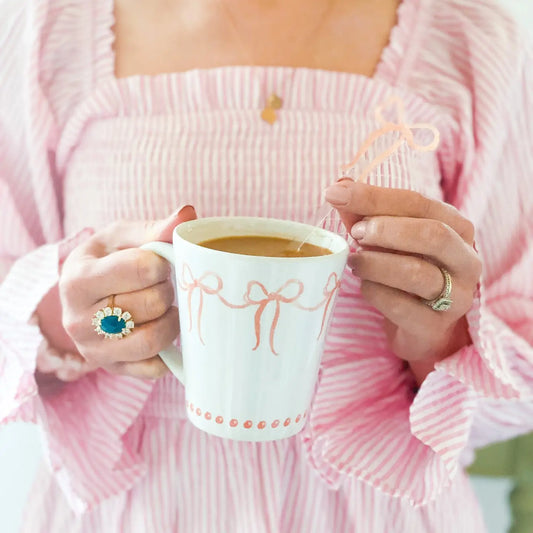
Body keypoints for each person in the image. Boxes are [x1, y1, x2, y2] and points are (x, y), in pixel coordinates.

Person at [0, 0, 531, 531]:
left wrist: (439, 338)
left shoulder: (472, 39)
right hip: (129, 513)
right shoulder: (49, 31)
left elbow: (519, 380)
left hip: (381, 510)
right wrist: (71, 317)